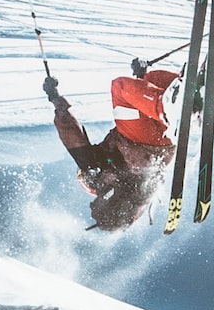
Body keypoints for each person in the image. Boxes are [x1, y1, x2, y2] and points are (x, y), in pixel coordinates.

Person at [43, 60, 181, 230]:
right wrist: (56, 99)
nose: (85, 171)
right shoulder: (99, 178)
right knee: (119, 87)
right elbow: (72, 135)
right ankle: (168, 105)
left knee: (151, 80)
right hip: (141, 142)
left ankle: (187, 90)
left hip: (162, 144)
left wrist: (140, 77)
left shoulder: (131, 194)